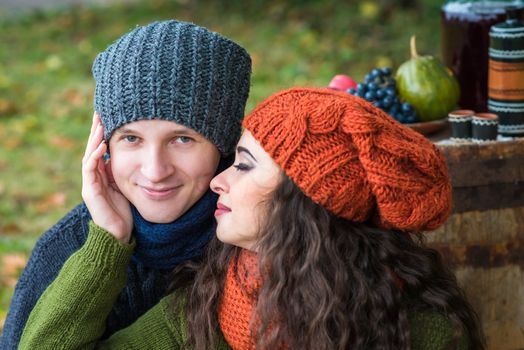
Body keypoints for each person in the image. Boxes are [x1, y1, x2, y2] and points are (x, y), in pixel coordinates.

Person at [19, 87, 485, 349]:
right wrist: (106, 239)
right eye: (130, 139)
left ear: (307, 201)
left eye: (243, 165)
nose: (220, 180)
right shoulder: (209, 304)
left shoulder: (421, 331)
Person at [1, 20, 251, 348]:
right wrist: (107, 242)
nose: (155, 170)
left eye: (182, 139)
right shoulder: (63, 249)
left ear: (223, 147)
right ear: (104, 147)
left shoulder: (256, 240)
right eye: (131, 138)